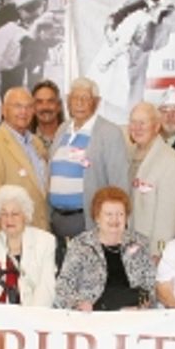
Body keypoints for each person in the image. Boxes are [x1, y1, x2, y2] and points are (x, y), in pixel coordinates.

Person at [48, 77, 130, 239]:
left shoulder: (109, 132)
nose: (79, 103)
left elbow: (119, 182)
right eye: (75, 98)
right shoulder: (62, 129)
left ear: (96, 102)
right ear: (68, 102)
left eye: (85, 98)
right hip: (57, 219)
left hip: (88, 221)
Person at [54, 186, 155, 311]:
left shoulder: (140, 243)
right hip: (94, 314)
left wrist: (141, 305)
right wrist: (78, 304)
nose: (115, 219)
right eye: (109, 214)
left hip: (133, 312)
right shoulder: (81, 245)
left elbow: (150, 285)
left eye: (120, 214)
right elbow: (63, 287)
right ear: (97, 217)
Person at [0, 87, 49, 234]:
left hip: (40, 231)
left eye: (28, 107)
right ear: (3, 110)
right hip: (10, 234)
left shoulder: (36, 142)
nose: (24, 112)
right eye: (17, 106)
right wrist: (13, 233)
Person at [0, 185, 58, 307]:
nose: (9, 219)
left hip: (34, 311)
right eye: (4, 214)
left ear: (25, 216)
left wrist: (31, 315)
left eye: (15, 214)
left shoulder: (45, 242)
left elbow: (46, 287)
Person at [127, 101, 175, 255]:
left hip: (156, 252)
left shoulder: (170, 161)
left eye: (143, 123)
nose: (137, 128)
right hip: (134, 246)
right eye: (133, 122)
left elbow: (170, 218)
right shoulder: (129, 154)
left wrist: (159, 252)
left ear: (156, 127)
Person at [30, 79, 64, 153]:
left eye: (50, 101)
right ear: (33, 107)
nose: (45, 107)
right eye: (39, 102)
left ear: (59, 106)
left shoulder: (70, 137)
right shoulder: (26, 141)